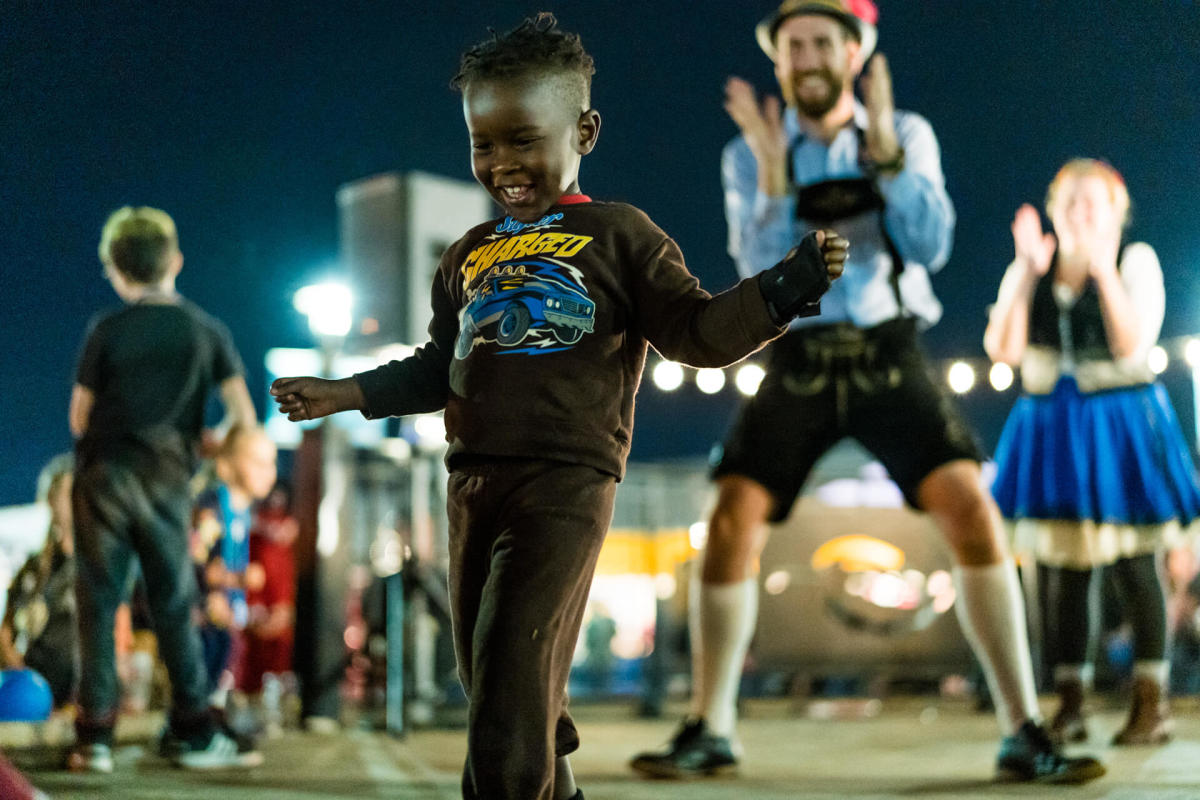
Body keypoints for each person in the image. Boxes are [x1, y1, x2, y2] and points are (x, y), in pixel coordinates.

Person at [270, 13, 847, 800]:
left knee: (508, 693)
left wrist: (784, 289)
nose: (502, 163)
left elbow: (696, 333)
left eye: (523, 140)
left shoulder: (619, 234)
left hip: (565, 484)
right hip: (471, 485)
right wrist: (346, 394)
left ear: (585, 130)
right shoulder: (467, 254)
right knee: (496, 681)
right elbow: (441, 367)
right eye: (484, 144)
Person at [629, 0, 1103, 784]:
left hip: (888, 350)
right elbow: (755, 268)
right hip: (799, 356)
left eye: (821, 42)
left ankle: (1023, 725)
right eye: (792, 47)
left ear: (853, 55)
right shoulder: (750, 152)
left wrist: (884, 152)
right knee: (729, 518)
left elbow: (932, 244)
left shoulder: (906, 133)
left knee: (972, 508)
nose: (806, 57)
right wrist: (776, 177)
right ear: (778, 63)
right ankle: (710, 726)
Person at [984, 158, 1200, 745]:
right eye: (1070, 201)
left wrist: (1101, 270)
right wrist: (1028, 273)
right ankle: (1071, 704)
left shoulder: (1135, 261)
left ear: (1116, 214)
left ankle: (1150, 705)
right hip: (1052, 419)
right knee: (1062, 571)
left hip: (1120, 419)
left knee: (1135, 562)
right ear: (1054, 210)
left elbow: (1133, 342)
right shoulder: (1033, 266)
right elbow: (1001, 348)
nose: (1080, 211)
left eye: (1093, 202)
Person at [68, 205, 262, 772]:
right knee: (176, 603)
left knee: (98, 603)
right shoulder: (206, 331)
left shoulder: (105, 329)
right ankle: (193, 729)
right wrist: (204, 443)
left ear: (114, 268)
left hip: (102, 477)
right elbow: (242, 416)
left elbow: (80, 417)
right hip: (166, 481)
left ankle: (95, 737)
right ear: (176, 261)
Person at [191, 424, 278, 703]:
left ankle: (213, 717)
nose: (269, 471)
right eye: (258, 462)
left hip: (224, 619)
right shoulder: (212, 508)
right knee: (204, 673)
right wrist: (239, 579)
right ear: (227, 463)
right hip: (204, 619)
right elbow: (195, 564)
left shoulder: (243, 512)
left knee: (223, 673)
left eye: (272, 462)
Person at [1, 455, 79, 708]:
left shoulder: (97, 562)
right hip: (34, 688)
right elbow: (6, 629)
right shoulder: (36, 566)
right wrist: (19, 671)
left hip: (84, 687)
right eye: (65, 494)